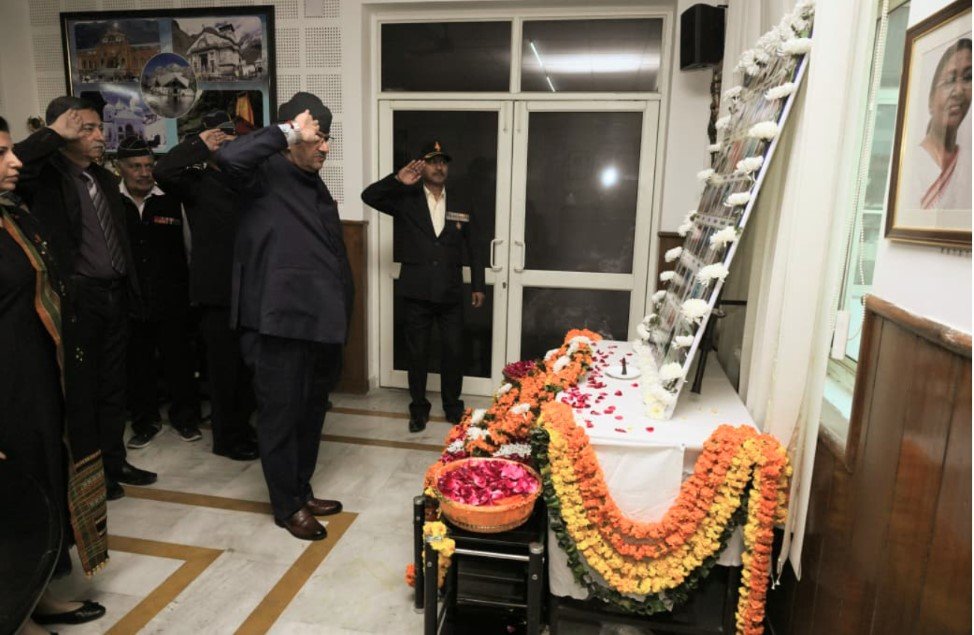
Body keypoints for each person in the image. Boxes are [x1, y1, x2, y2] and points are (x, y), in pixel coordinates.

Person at [215, 92, 352, 540]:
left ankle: (301, 489)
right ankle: (287, 505)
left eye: (327, 138)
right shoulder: (261, 173)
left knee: (310, 415)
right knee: (280, 417)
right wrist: (287, 131)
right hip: (276, 324)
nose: (325, 147)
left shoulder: (313, 181)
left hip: (318, 324)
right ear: (291, 138)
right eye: (317, 137)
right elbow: (228, 158)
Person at [14, 96, 156, 501]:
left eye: (99, 128)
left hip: (115, 295)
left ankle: (115, 460)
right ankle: (91, 473)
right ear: (64, 131)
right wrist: (53, 134)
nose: (98, 136)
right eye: (87, 129)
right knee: (83, 392)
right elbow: (20, 160)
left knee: (113, 387)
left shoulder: (104, 180)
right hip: (79, 300)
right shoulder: (46, 179)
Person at [0, 115, 108, 632]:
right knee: (11, 502)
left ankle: (36, 595)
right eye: (1, 154)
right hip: (6, 393)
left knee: (41, 489)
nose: (14, 161)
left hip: (37, 383)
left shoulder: (10, 214)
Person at [153, 111, 259, 461]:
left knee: (247, 368)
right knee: (224, 370)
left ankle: (243, 428)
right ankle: (227, 439)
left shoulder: (245, 179)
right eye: (219, 137)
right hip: (216, 292)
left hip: (250, 289)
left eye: (230, 137)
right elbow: (163, 170)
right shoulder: (195, 182)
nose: (226, 142)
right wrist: (200, 144)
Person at [361, 142, 486, 433]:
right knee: (417, 354)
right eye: (432, 162)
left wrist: (478, 285)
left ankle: (452, 405)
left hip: (450, 292)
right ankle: (418, 408)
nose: (439, 167)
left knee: (453, 351)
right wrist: (397, 180)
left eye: (443, 162)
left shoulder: (461, 200)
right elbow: (369, 196)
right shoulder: (406, 198)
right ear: (421, 166)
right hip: (416, 292)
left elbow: (475, 245)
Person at [116, 136, 203, 449]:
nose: (144, 173)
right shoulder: (112, 203)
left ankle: (186, 419)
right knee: (138, 366)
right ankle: (145, 422)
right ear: (120, 168)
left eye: (148, 166)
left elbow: (189, 249)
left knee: (179, 362)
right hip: (131, 301)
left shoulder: (171, 199)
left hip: (173, 299)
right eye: (135, 167)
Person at [907, 38, 972, 211]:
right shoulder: (910, 165)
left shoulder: (967, 163)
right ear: (930, 100)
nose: (959, 91)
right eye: (950, 80)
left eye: (968, 78)